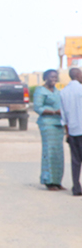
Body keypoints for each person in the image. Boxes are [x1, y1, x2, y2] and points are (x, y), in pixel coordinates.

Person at [33, 69, 64, 190]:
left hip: (58, 124)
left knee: (58, 153)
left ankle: (57, 181)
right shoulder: (40, 91)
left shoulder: (57, 91)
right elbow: (38, 107)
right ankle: (48, 181)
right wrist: (53, 112)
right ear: (45, 77)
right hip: (47, 124)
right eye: (51, 77)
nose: (53, 79)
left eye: (55, 77)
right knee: (49, 152)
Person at [61, 67, 82, 196]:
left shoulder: (63, 92)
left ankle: (76, 188)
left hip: (73, 131)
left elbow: (63, 115)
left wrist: (67, 132)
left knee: (75, 161)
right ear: (78, 75)